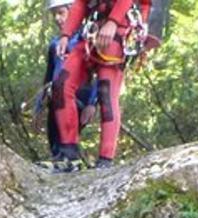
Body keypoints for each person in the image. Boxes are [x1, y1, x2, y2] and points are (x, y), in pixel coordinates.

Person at [50, 0, 162, 171]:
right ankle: (68, 155)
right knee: (61, 85)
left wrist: (113, 22)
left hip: (121, 27)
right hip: (94, 30)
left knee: (106, 94)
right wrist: (66, 35)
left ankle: (105, 160)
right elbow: (81, 3)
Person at [39, 0, 99, 160]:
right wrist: (39, 106)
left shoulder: (86, 41)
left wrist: (92, 104)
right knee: (53, 134)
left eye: (61, 13)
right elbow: (49, 75)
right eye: (54, 15)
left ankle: (70, 159)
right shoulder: (54, 45)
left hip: (79, 97)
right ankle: (61, 160)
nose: (57, 18)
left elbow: (98, 75)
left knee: (66, 133)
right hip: (56, 98)